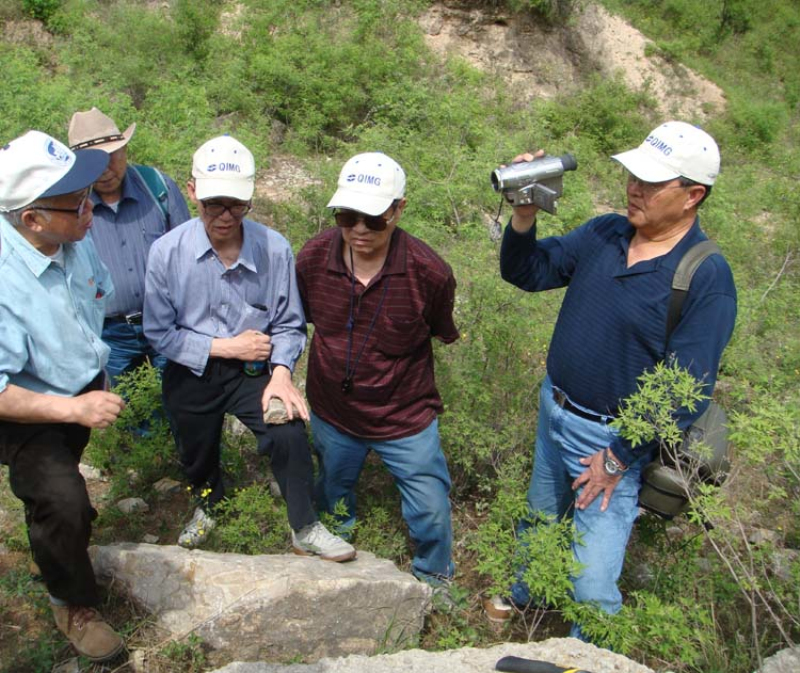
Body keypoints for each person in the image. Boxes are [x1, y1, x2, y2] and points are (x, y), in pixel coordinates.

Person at [492, 121, 737, 639]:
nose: (634, 188)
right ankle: (527, 600)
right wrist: (524, 213)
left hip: (611, 440)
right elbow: (528, 273)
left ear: (693, 195)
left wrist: (617, 456)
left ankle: (591, 652)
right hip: (554, 409)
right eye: (633, 176)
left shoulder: (704, 276)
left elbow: (684, 388)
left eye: (651, 183)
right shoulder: (605, 232)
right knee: (539, 521)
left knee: (592, 581)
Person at [143, 135, 355, 561]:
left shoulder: (273, 248)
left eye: (236, 205)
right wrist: (226, 346)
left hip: (256, 373)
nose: (224, 216)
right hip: (192, 369)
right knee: (194, 446)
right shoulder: (167, 252)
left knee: (289, 432)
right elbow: (159, 333)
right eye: (212, 204)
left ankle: (305, 526)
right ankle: (210, 503)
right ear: (192, 193)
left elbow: (290, 324)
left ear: (250, 198)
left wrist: (281, 374)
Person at [295, 152, 459, 592]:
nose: (360, 230)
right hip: (333, 411)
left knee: (431, 509)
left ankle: (434, 580)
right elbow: (299, 320)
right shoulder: (312, 257)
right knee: (331, 493)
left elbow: (442, 330)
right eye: (347, 216)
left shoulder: (430, 272)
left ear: (398, 209)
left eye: (374, 218)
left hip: (405, 417)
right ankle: (335, 561)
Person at [0, 131, 126, 662]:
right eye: (76, 202)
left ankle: (53, 539)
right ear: (32, 219)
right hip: (28, 408)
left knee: (61, 496)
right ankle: (71, 602)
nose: (90, 207)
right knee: (61, 499)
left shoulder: (72, 235)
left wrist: (93, 381)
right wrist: (73, 408)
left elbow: (94, 299)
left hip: (79, 392)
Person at [68, 107, 190, 386]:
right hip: (108, 332)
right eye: (93, 162)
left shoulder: (157, 187)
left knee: (177, 402)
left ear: (125, 150)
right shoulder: (69, 206)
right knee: (125, 412)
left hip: (167, 323)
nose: (106, 170)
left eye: (112, 156)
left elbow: (190, 252)